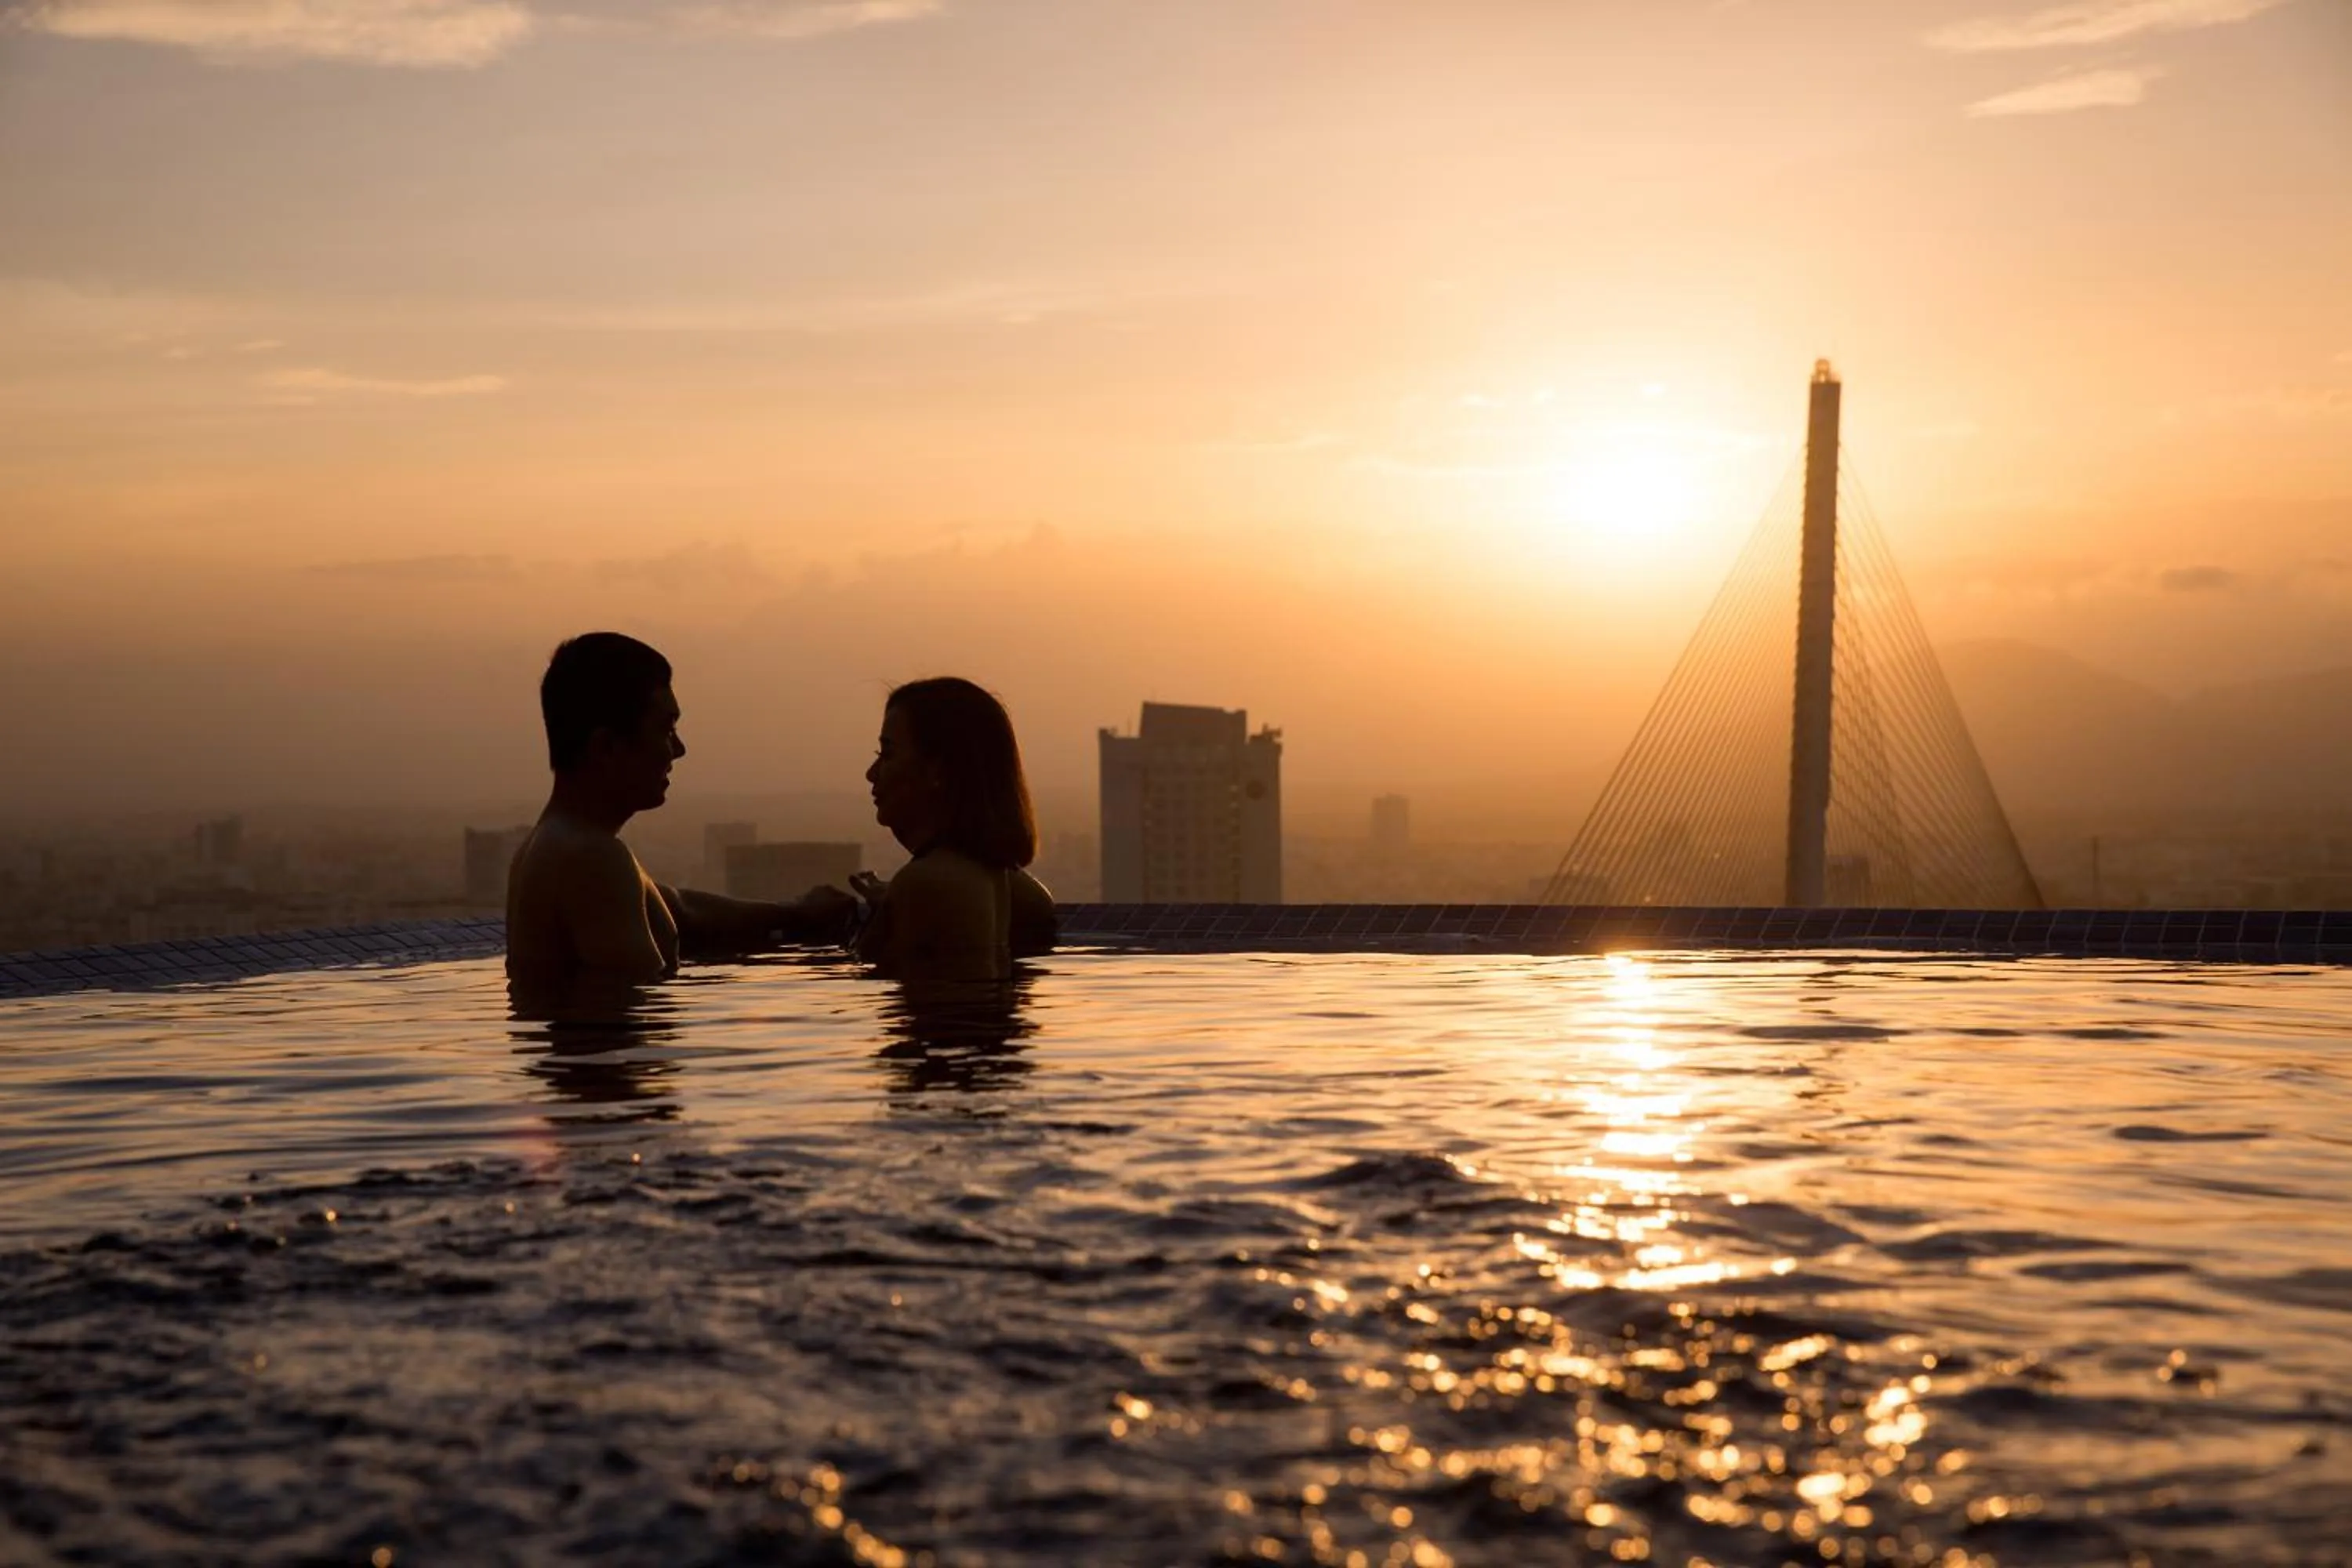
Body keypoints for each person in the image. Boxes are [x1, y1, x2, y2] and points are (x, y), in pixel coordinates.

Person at [506, 633, 854, 991]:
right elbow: (637, 1016)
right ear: (607, 746)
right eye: (666, 729)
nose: (679, 749)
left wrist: (795, 914)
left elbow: (681, 909)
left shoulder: (554, 846)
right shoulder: (592, 858)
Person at [851, 677, 1058, 982]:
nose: (871, 774)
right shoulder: (1016, 887)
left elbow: (931, 1019)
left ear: (938, 769)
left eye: (888, 754)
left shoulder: (927, 882)